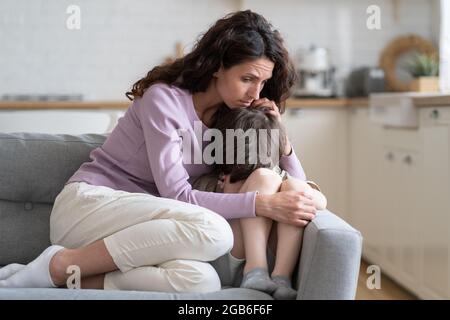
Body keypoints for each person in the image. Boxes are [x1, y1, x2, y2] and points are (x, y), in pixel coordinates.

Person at [0, 10, 318, 293]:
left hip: (148, 226)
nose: (255, 93)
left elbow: (296, 189)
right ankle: (59, 263)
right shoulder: (163, 100)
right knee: (215, 231)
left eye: (262, 83)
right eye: (247, 78)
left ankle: (65, 277)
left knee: (201, 281)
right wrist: (263, 205)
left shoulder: (231, 119)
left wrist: (283, 139)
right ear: (218, 66)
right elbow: (177, 196)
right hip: (91, 206)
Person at [192, 106, 326, 299]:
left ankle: (282, 277)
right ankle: (256, 269)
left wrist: (291, 188)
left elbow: (320, 200)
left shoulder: (278, 177)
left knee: (290, 186)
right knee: (266, 178)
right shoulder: (211, 181)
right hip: (228, 259)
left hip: (272, 268)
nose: (247, 178)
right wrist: (230, 194)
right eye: (241, 175)